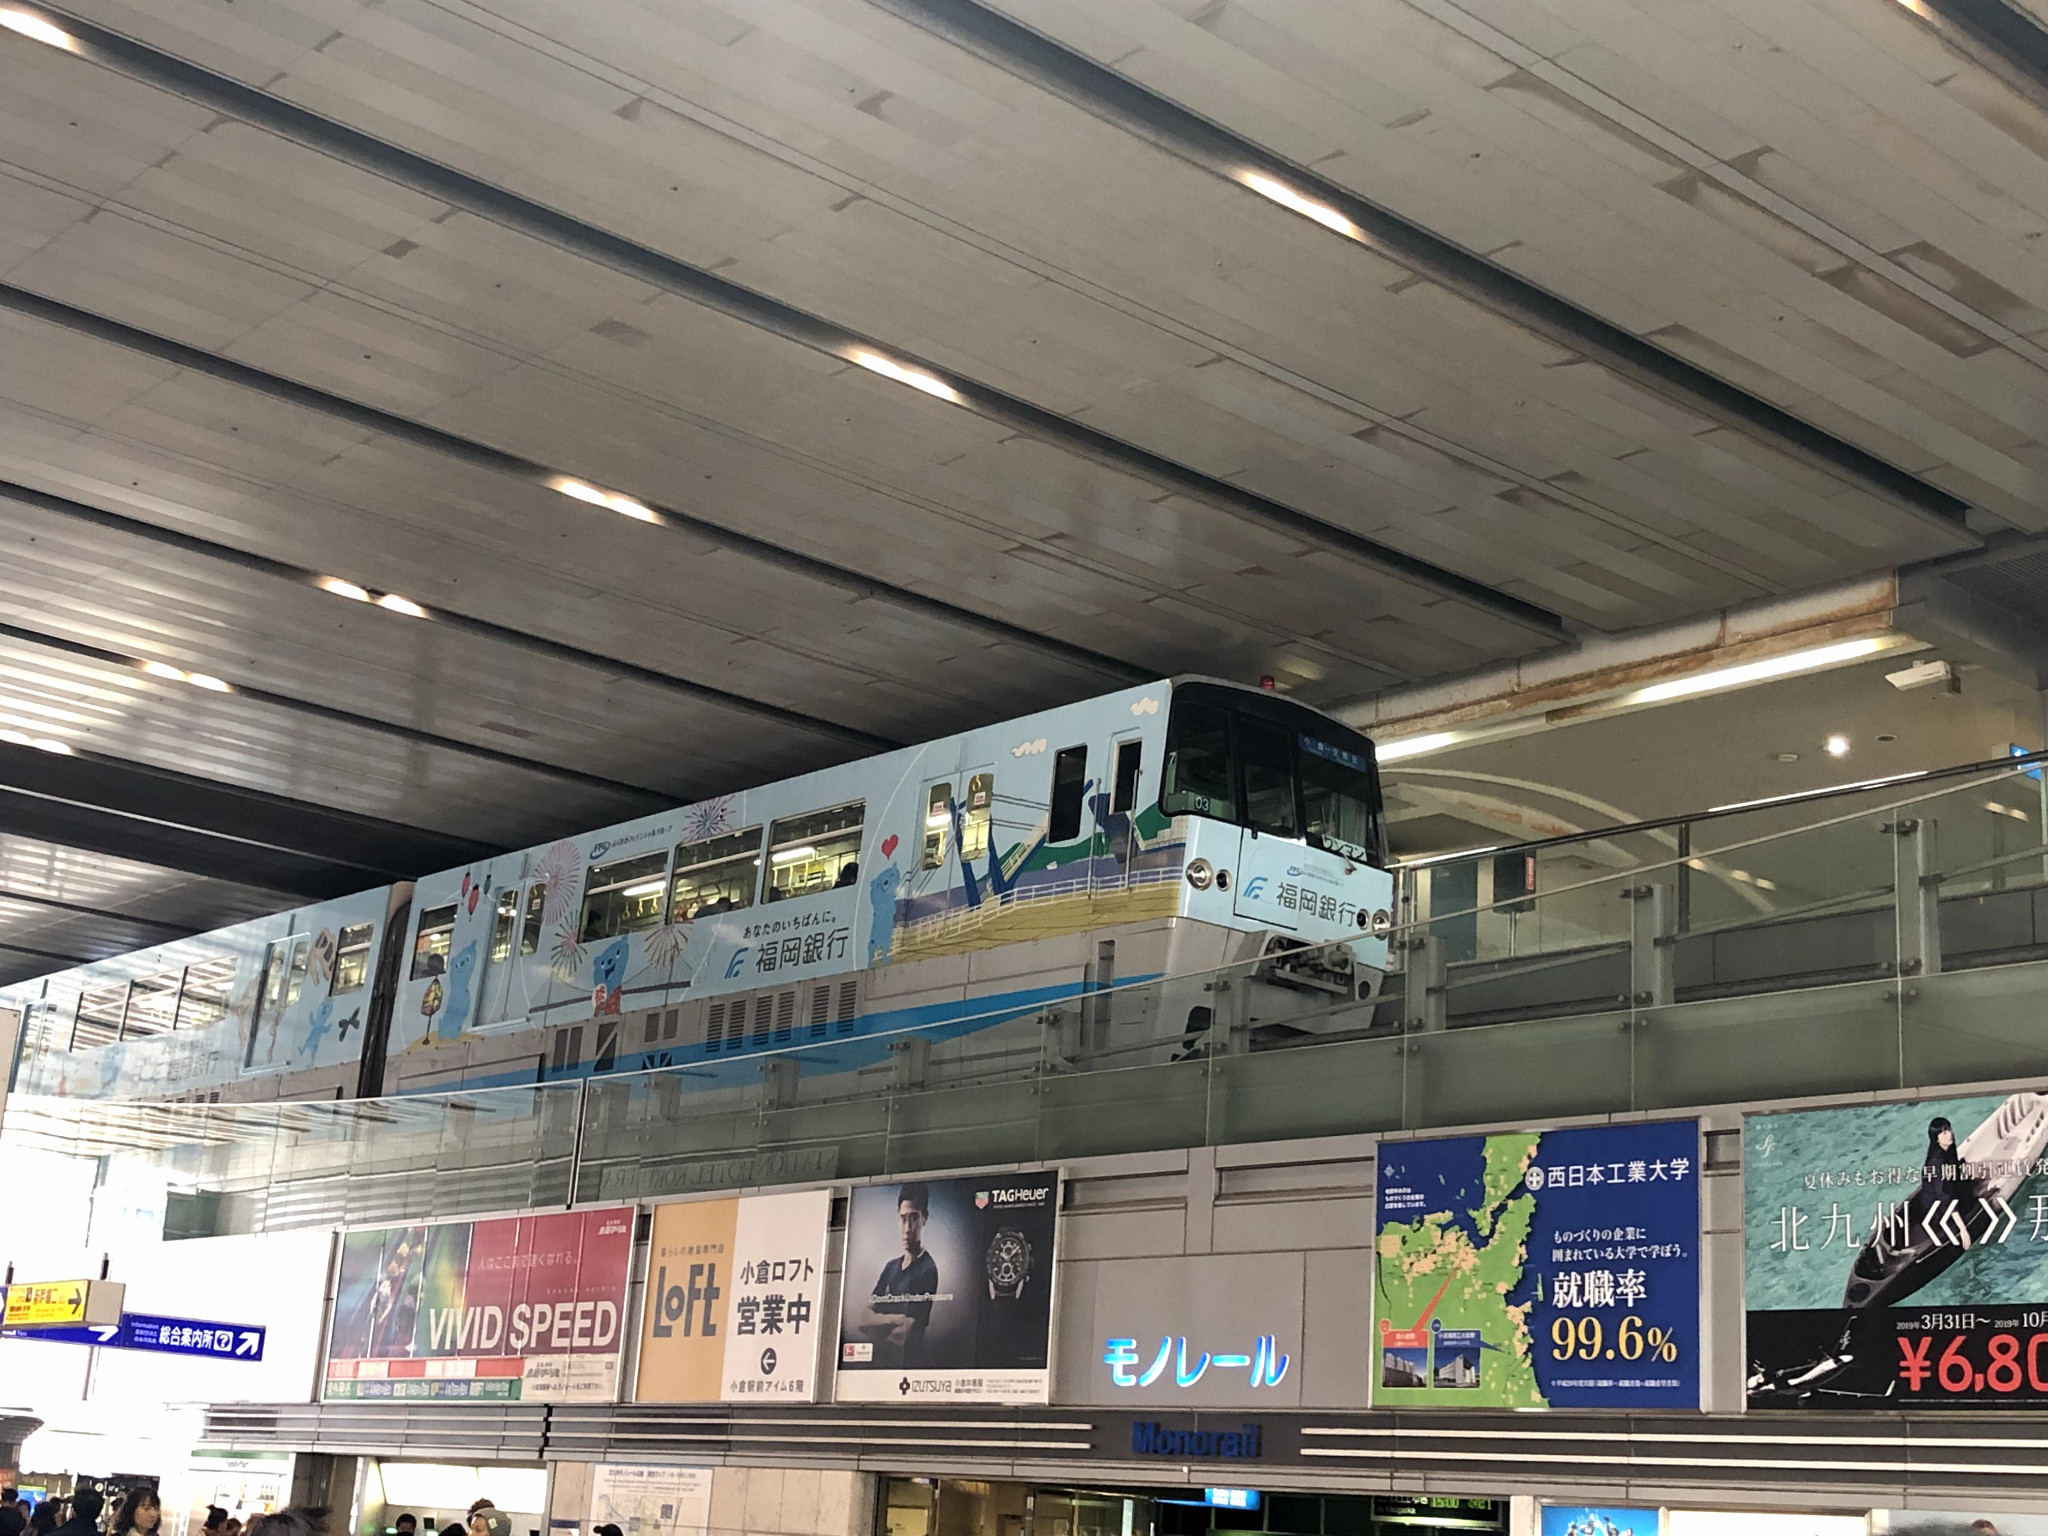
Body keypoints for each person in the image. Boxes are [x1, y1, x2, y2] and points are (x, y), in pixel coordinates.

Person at [861, 1181, 940, 1368]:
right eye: (903, 1218)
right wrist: (892, 1320)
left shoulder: (928, 1269)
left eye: (914, 1218)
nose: (907, 1228)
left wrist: (877, 1322)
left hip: (907, 1368)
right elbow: (863, 1318)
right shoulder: (891, 1266)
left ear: (924, 1218)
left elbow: (904, 1335)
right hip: (876, 1368)